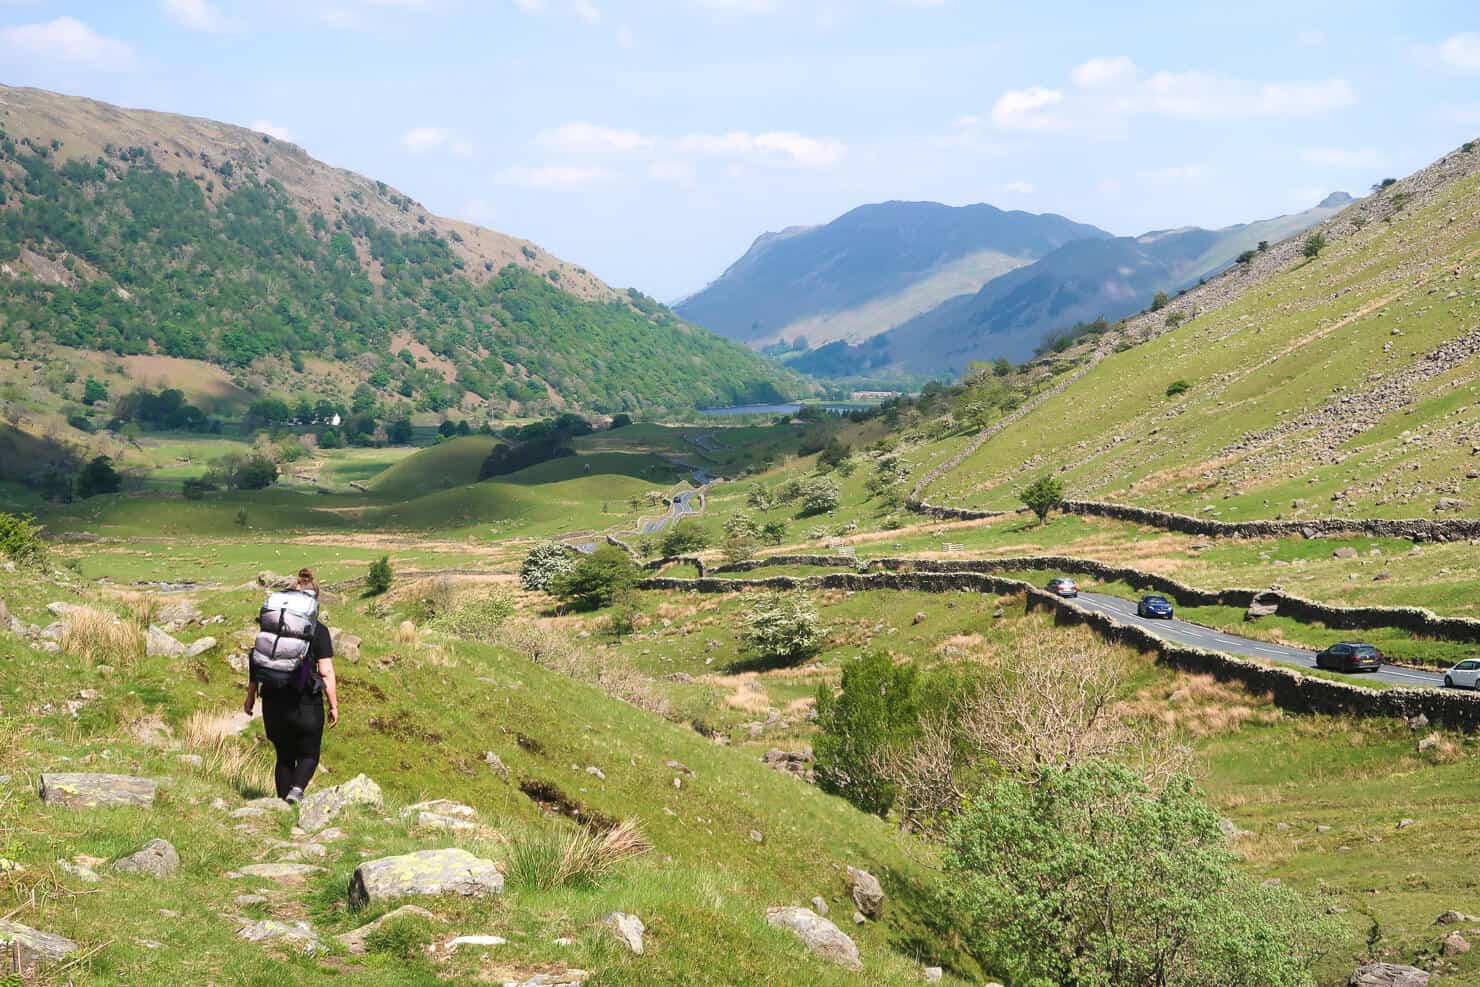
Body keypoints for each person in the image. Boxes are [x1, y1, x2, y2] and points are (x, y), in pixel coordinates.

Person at [243, 568, 339, 804]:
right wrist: (334, 705)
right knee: (309, 754)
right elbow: (326, 671)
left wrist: (250, 696)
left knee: (284, 757)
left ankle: (281, 807)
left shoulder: (271, 627)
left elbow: (258, 658)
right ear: (314, 603)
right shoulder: (319, 631)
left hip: (273, 700)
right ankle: (296, 791)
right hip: (304, 701)